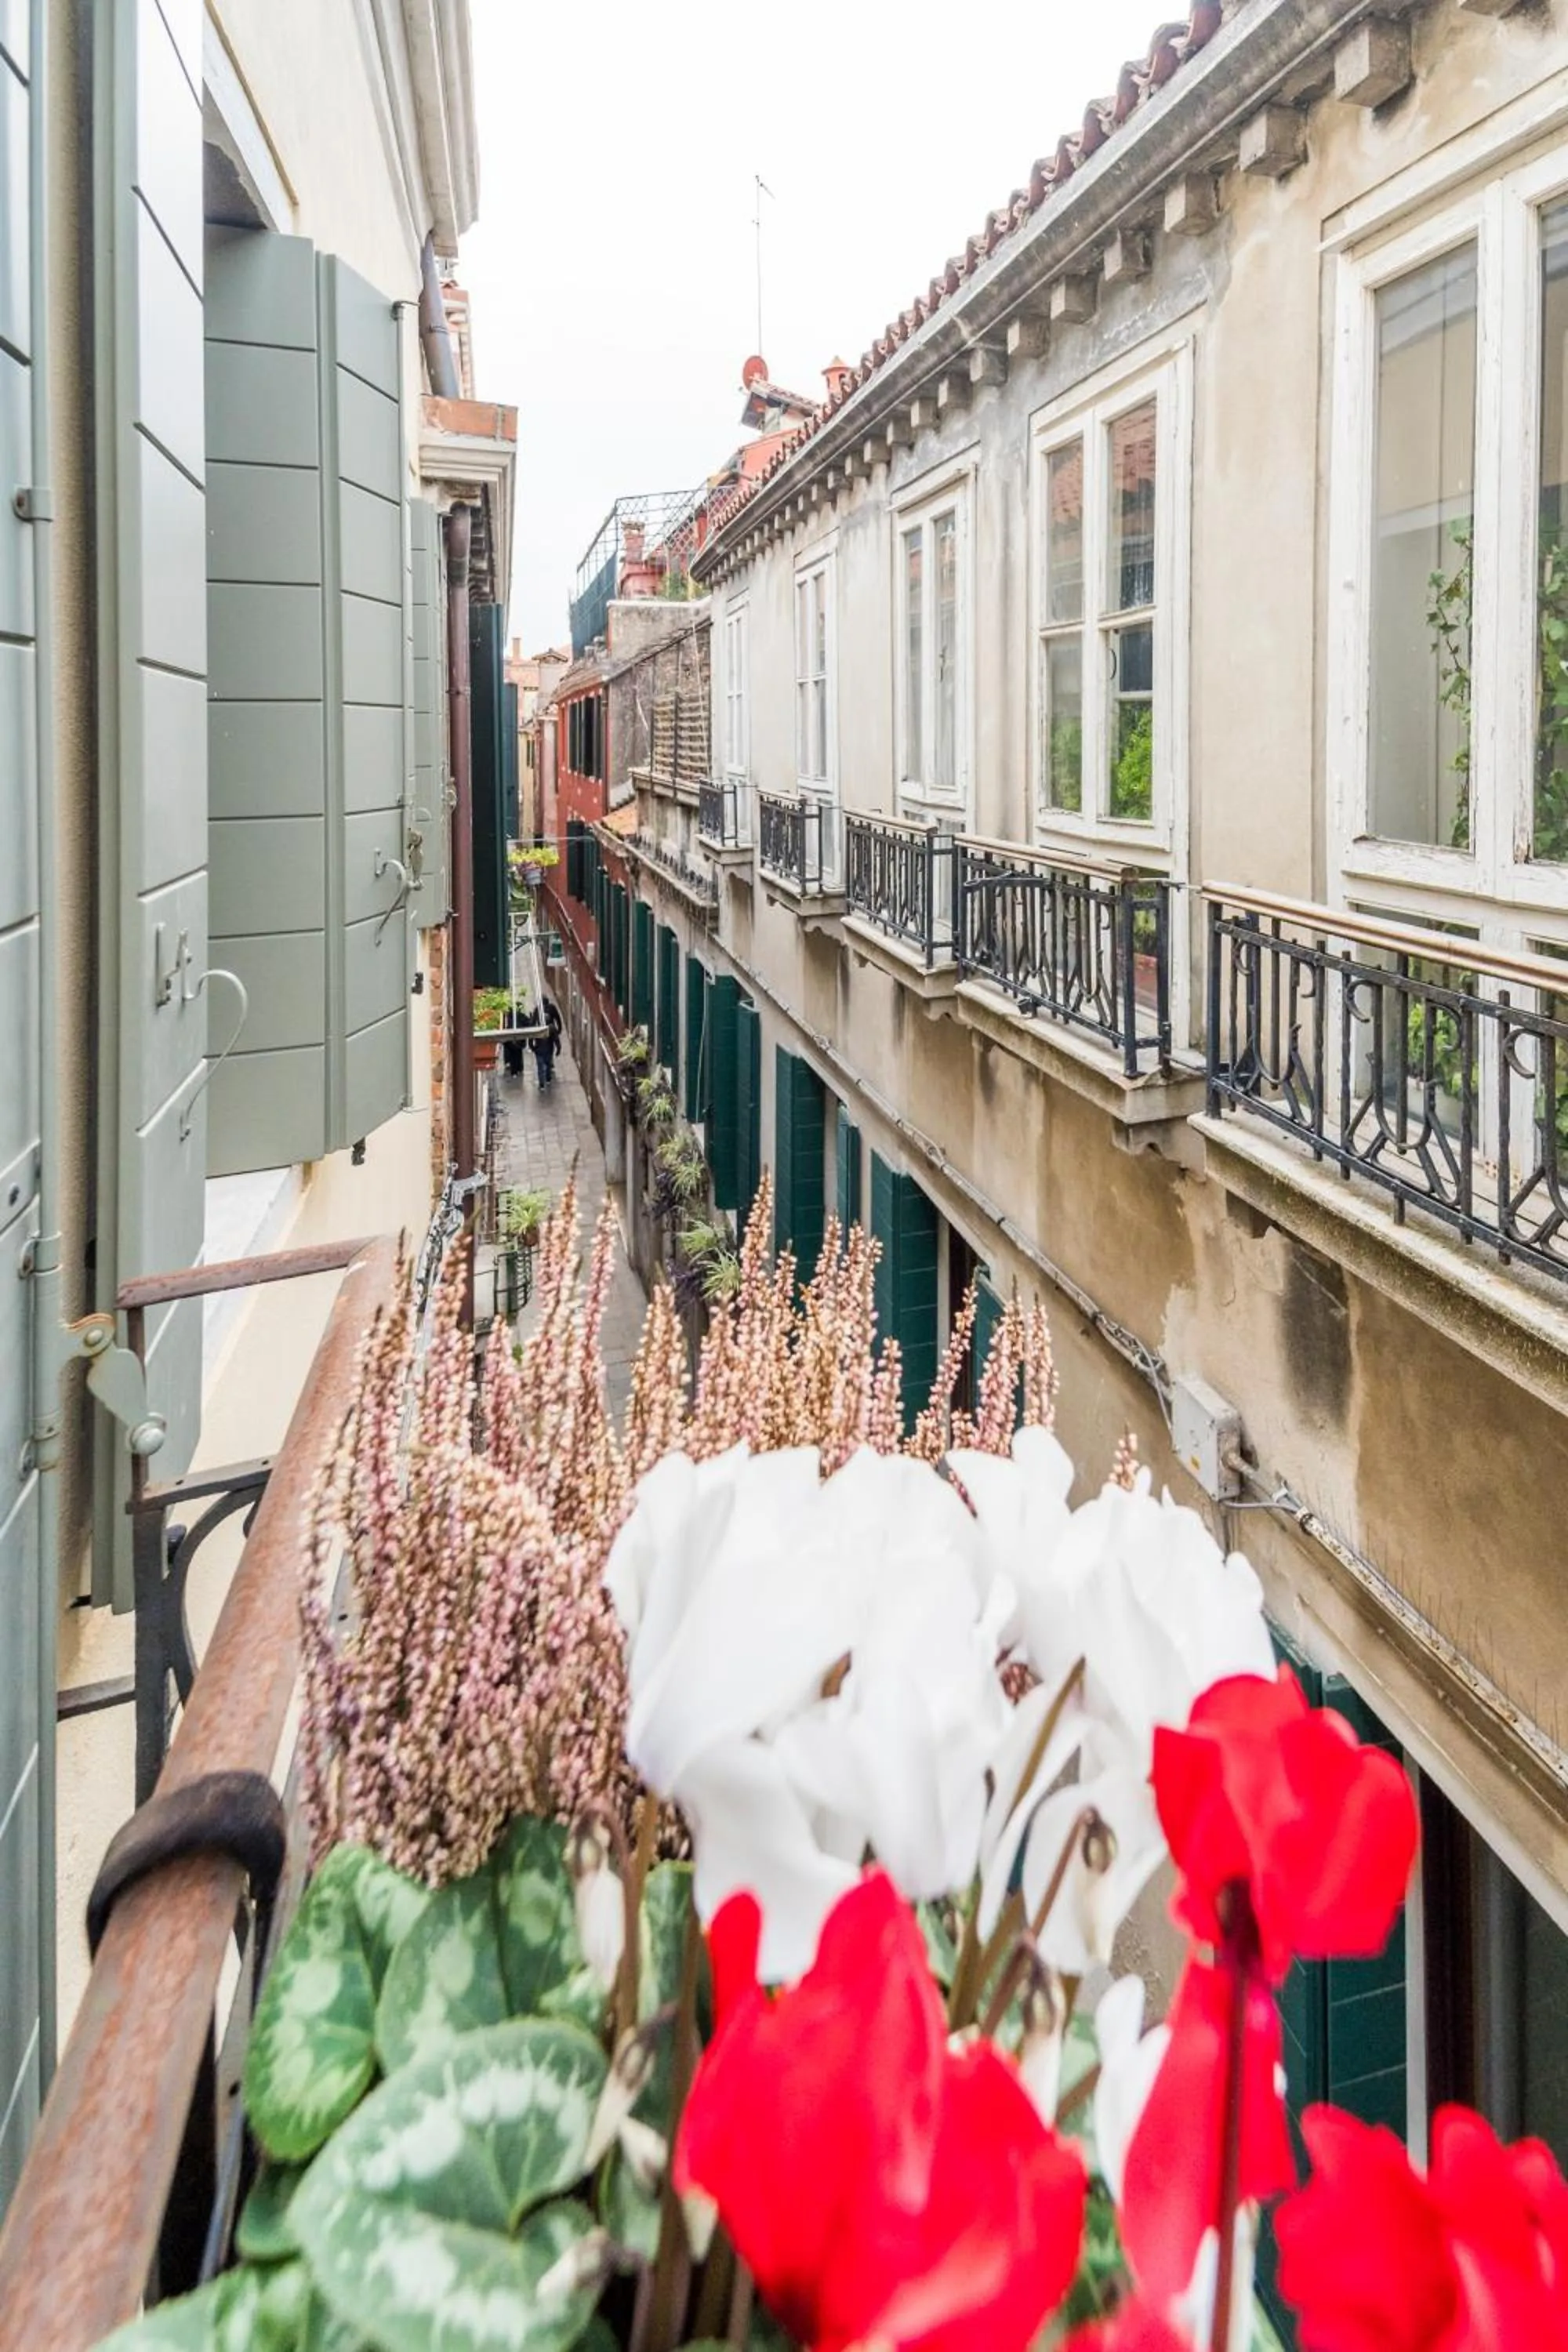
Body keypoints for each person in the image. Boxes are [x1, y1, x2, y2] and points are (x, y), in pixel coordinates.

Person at [532, 993, 563, 1089]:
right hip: (549, 1042)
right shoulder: (552, 1008)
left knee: (540, 1066)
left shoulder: (537, 1010)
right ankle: (548, 1077)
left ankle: (542, 1083)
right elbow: (558, 1018)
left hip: (539, 1046)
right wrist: (559, 1029)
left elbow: (533, 1024)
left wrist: (532, 1046)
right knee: (548, 1060)